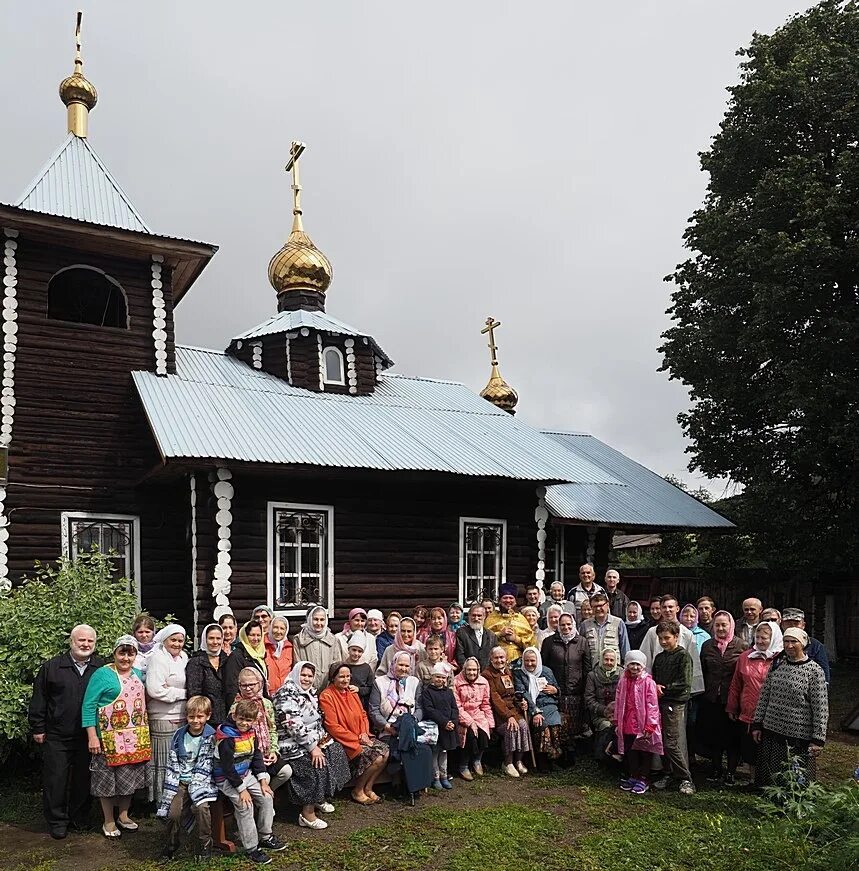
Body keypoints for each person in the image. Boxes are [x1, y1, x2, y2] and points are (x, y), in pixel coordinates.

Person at [28, 624, 104, 839]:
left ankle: (79, 818)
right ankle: (57, 821)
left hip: (88, 736)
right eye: (81, 640)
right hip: (57, 734)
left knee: (84, 779)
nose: (85, 644)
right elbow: (39, 698)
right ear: (72, 642)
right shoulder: (52, 667)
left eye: (90, 641)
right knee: (56, 779)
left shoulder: (100, 668)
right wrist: (38, 727)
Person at [81, 635, 151, 838]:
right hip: (108, 740)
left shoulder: (138, 674)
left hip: (135, 737)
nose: (126, 658)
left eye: (131, 653)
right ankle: (108, 820)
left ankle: (124, 815)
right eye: (122, 652)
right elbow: (88, 706)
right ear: (114, 653)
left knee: (129, 779)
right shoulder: (102, 675)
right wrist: (92, 736)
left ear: (135, 655)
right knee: (107, 781)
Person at [272, 661, 350, 829]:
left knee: (335, 752)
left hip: (312, 738)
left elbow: (316, 721)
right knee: (315, 764)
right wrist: (312, 747)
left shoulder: (310, 693)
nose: (306, 679)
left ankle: (319, 798)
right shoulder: (286, 693)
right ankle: (307, 814)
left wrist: (321, 741)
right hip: (290, 743)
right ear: (295, 674)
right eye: (303, 675)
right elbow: (292, 724)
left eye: (309, 676)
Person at [752, 627, 829, 788]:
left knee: (795, 775)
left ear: (803, 644)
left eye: (794, 641)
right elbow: (765, 695)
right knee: (771, 772)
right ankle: (771, 803)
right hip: (772, 729)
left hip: (798, 734)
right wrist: (757, 723)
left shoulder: (814, 671)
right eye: (786, 641)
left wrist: (818, 739)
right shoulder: (777, 665)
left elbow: (820, 707)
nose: (789, 645)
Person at [213, 698, 286, 864]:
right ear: (235, 715)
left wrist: (263, 781)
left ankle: (265, 835)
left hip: (245, 774)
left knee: (267, 797)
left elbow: (257, 758)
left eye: (248, 720)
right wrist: (241, 789)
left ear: (254, 721)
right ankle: (252, 848)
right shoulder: (227, 738)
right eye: (241, 719)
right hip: (227, 778)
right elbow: (227, 768)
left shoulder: (252, 733)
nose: (244, 723)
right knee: (245, 805)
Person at [156, 695, 217, 861]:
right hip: (180, 780)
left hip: (202, 780)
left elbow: (208, 763)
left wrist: (195, 782)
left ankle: (204, 843)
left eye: (200, 717)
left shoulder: (211, 736)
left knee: (201, 808)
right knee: (172, 812)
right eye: (192, 716)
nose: (195, 720)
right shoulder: (179, 735)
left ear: (207, 716)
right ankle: (171, 843)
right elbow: (173, 759)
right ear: (186, 716)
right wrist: (177, 780)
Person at [319, 663, 390, 805]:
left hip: (361, 735)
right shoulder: (327, 696)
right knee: (375, 757)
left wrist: (364, 733)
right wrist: (357, 738)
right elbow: (333, 727)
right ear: (333, 678)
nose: (345, 680)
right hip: (345, 741)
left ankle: (368, 788)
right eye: (341, 677)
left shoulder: (351, 692)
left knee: (385, 751)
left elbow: (363, 715)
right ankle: (357, 790)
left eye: (348, 676)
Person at [726, 620, 783, 780]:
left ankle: (770, 781)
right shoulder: (745, 657)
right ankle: (753, 780)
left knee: (769, 749)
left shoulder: (781, 659)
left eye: (764, 638)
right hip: (748, 711)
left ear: (773, 638)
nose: (759, 641)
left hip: (771, 713)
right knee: (750, 748)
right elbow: (736, 684)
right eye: (757, 637)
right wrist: (732, 706)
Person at [699, 610, 747, 785]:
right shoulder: (707, 645)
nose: (720, 628)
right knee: (715, 737)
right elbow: (703, 670)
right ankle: (716, 768)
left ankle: (731, 772)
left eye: (723, 625)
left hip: (731, 699)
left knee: (732, 738)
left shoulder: (742, 646)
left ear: (731, 626)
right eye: (717, 625)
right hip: (711, 699)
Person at [229, 667, 292, 792]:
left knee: (286, 772)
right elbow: (236, 736)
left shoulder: (266, 703)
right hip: (250, 755)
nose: (248, 688)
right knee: (264, 777)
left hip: (267, 750)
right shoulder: (236, 707)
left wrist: (274, 750)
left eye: (252, 684)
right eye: (244, 685)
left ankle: (270, 792)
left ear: (260, 683)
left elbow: (272, 728)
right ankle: (262, 800)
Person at [651, 620, 695, 795]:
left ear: (676, 637)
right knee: (662, 741)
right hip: (659, 703)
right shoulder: (660, 658)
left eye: (667, 638)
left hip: (674, 704)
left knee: (672, 743)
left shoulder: (683, 656)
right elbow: (654, 678)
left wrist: (665, 688)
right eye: (660, 638)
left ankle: (686, 778)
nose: (663, 642)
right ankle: (668, 773)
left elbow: (684, 683)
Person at [146, 623, 188, 805]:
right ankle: (160, 801)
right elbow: (155, 690)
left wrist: (171, 690)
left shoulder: (184, 657)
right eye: (173, 640)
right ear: (165, 640)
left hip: (182, 716)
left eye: (180, 640)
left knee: (176, 761)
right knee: (163, 762)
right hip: (162, 716)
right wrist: (183, 694)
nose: (177, 644)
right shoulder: (158, 658)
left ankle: (176, 800)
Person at [541, 612, 588, 760]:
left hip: (575, 691)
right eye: (562, 625)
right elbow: (544, 667)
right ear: (558, 626)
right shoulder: (549, 642)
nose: (566, 627)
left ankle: (572, 752)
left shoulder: (582, 642)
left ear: (573, 625)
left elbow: (587, 667)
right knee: (559, 722)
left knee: (574, 723)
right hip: (556, 689)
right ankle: (558, 752)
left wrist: (584, 687)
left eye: (569, 624)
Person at [614, 650, 662, 795]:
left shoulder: (648, 682)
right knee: (631, 751)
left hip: (643, 724)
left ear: (643, 666)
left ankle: (644, 778)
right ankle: (633, 775)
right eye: (631, 664)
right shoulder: (623, 681)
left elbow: (652, 704)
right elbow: (618, 701)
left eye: (637, 664)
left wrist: (651, 724)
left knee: (645, 751)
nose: (634, 667)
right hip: (627, 722)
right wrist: (617, 719)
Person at [482, 645, 532, 778]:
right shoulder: (487, 675)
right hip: (498, 713)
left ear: (506, 658)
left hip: (512, 710)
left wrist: (521, 703)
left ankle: (518, 760)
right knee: (512, 728)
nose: (499, 660)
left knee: (523, 725)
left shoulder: (508, 672)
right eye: (496, 658)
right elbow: (495, 699)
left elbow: (513, 693)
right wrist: (508, 716)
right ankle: (508, 762)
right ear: (491, 659)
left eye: (502, 657)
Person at [639, 595, 704, 695]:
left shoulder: (687, 634)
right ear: (660, 609)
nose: (667, 610)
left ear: (677, 609)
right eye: (664, 607)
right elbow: (645, 659)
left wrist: (691, 689)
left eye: (670, 607)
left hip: (679, 689)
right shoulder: (652, 632)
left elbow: (693, 661)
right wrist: (649, 684)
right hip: (656, 686)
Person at [515, 646, 562, 765]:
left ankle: (555, 757)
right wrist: (535, 711)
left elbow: (557, 689)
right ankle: (543, 760)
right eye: (527, 660)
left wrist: (555, 690)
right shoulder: (519, 673)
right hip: (532, 706)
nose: (530, 664)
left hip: (549, 705)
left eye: (532, 660)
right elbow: (522, 693)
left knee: (555, 725)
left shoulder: (546, 671)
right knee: (543, 726)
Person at [369, 651, 424, 746]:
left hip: (410, 728)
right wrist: (387, 727)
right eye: (401, 665)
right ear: (393, 663)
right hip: (387, 730)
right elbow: (374, 710)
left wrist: (411, 724)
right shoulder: (379, 682)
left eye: (407, 666)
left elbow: (420, 708)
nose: (404, 669)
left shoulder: (415, 682)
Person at [451, 657, 493, 780]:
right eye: (469, 670)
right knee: (470, 736)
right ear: (464, 670)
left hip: (478, 714)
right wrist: (469, 722)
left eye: (474, 670)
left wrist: (490, 723)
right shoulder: (456, 682)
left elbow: (485, 704)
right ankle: (463, 765)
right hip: (462, 716)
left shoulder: (484, 682)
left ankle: (477, 760)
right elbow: (457, 706)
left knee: (484, 733)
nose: (472, 673)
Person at [421, 662, 460, 789]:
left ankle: (444, 775)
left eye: (443, 677)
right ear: (432, 677)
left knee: (444, 753)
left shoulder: (448, 692)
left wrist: (453, 721)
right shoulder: (427, 692)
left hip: (449, 728)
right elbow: (429, 710)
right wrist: (444, 722)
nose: (440, 680)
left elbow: (454, 708)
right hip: (436, 727)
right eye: (437, 677)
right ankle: (435, 776)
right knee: (435, 753)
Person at [185, 623, 228, 727]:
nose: (215, 642)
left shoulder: (227, 660)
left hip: (226, 717)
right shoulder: (196, 662)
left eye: (218, 638)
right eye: (211, 638)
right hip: (204, 718)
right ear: (205, 639)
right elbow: (194, 692)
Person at [584, 648, 621, 762]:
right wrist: (604, 711)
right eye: (606, 659)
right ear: (601, 660)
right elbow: (589, 698)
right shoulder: (592, 675)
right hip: (600, 713)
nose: (608, 663)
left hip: (619, 713)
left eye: (611, 660)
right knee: (606, 725)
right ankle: (602, 757)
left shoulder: (622, 674)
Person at [485, 583, 535, 665]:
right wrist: (500, 634)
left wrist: (516, 639)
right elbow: (483, 640)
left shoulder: (521, 618)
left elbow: (531, 644)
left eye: (511, 598)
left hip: (518, 661)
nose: (508, 600)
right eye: (505, 598)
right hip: (496, 661)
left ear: (515, 601)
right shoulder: (491, 618)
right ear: (499, 600)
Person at [578, 592, 630, 669]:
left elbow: (625, 649)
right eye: (595, 606)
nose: (598, 609)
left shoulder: (618, 623)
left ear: (607, 605)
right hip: (592, 671)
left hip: (614, 671)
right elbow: (581, 650)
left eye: (600, 605)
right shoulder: (585, 625)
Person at [223, 620, 269, 704]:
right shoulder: (237, 656)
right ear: (245, 636)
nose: (256, 639)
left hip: (259, 704)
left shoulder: (260, 655)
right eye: (252, 635)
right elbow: (232, 686)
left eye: (258, 635)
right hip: (244, 707)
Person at [292, 606, 337, 692]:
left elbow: (336, 664)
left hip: (328, 689)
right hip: (305, 687)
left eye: (322, 619)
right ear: (309, 620)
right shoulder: (299, 639)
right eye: (315, 619)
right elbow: (297, 664)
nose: (319, 623)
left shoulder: (333, 639)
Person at [781, 608, 831, 683]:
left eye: (796, 623)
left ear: (803, 625)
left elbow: (824, 678)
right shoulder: (775, 643)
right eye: (788, 622)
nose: (792, 626)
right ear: (782, 625)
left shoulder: (816, 646)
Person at [454, 603, 498, 670]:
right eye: (473, 615)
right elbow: (460, 655)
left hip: (487, 674)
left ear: (484, 617)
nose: (476, 618)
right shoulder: (462, 632)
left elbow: (494, 656)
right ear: (469, 616)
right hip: (468, 673)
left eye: (479, 616)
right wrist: (469, 671)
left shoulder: (492, 635)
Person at [343, 631, 375, 708]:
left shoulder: (366, 668)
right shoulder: (343, 666)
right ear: (349, 649)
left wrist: (359, 689)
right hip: (344, 702)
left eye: (359, 651)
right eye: (354, 650)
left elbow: (371, 688)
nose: (356, 653)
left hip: (360, 703)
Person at [263, 617, 293, 697]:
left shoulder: (290, 647)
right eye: (275, 627)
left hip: (285, 694)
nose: (278, 631)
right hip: (267, 693)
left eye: (282, 628)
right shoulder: (262, 645)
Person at [131, 614, 157, 680]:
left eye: (147, 632)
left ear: (153, 633)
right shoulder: (129, 649)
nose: (144, 635)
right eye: (140, 632)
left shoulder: (160, 649)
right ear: (134, 633)